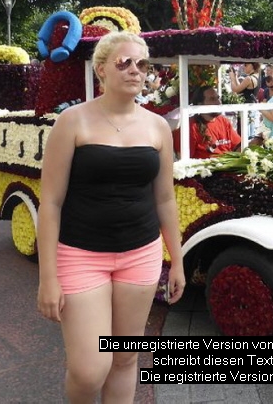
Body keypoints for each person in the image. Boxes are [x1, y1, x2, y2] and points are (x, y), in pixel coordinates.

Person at [36, 31, 185, 403]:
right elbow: (50, 202)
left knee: (125, 358)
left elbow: (165, 198)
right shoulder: (73, 121)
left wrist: (178, 261)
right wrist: (48, 278)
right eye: (124, 62)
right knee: (89, 370)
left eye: (142, 64)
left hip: (141, 255)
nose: (135, 70)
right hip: (81, 255)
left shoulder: (157, 127)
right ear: (101, 69)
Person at [176, 86, 240, 159]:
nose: (218, 102)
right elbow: (182, 158)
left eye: (218, 98)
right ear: (200, 105)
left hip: (228, 164)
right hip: (206, 165)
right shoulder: (190, 126)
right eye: (212, 99)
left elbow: (238, 146)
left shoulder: (223, 121)